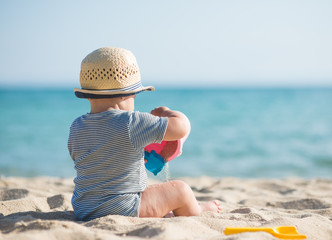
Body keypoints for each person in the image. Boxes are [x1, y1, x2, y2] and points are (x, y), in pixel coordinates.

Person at [68, 47, 221, 221]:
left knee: (149, 193)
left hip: (84, 208)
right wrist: (166, 113)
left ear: (89, 96)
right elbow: (181, 127)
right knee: (180, 189)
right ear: (126, 96)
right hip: (123, 208)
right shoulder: (131, 121)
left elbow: (93, 161)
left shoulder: (76, 126)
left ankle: (160, 212)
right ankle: (198, 211)